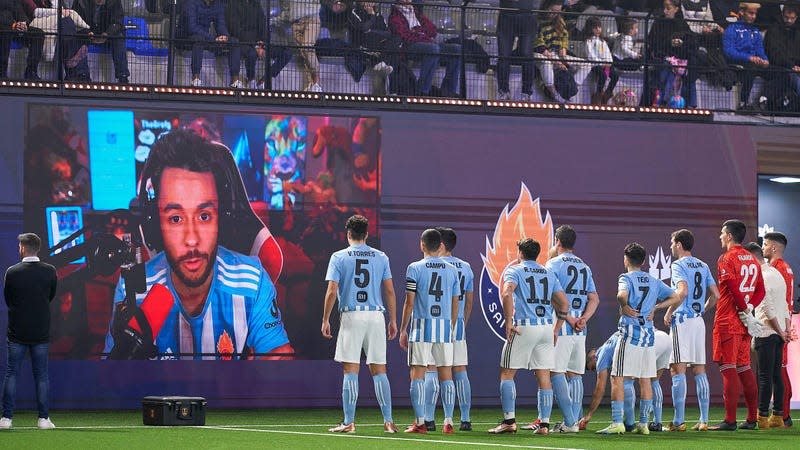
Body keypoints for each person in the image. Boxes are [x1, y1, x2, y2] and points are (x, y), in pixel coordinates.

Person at [103, 129, 293, 360]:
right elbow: (112, 379)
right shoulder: (133, 289)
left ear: (221, 218)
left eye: (204, 216)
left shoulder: (253, 281)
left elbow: (280, 364)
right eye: (175, 218)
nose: (192, 239)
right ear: (155, 224)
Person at [322, 214, 398, 434]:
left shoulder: (338, 257)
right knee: (379, 370)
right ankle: (389, 422)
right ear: (367, 234)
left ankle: (349, 422)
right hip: (375, 316)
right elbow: (390, 290)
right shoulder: (381, 256)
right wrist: (392, 320)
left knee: (350, 370)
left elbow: (332, 291)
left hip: (352, 316)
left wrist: (326, 318)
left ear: (348, 234)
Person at [488, 238, 569, 435]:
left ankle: (509, 421)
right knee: (543, 375)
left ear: (520, 253)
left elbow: (507, 294)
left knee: (507, 373)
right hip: (546, 328)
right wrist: (557, 328)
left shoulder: (515, 270)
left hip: (525, 326)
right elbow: (564, 304)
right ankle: (544, 425)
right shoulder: (548, 272)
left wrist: (508, 321)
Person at [597, 242, 680, 435]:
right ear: (643, 261)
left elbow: (621, 295)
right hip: (648, 336)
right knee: (645, 379)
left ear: (626, 259)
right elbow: (676, 297)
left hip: (630, 335)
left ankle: (617, 422)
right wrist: (657, 308)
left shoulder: (626, 277)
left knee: (617, 377)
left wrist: (623, 305)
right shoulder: (653, 280)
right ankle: (643, 424)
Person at [527, 225, 598, 432]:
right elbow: (594, 298)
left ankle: (569, 422)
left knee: (555, 372)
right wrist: (583, 318)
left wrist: (569, 319)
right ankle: (573, 421)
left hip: (561, 326)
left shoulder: (553, 264)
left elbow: (556, 298)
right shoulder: (584, 266)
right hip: (580, 330)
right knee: (575, 374)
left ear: (557, 240)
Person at [399, 228, 460, 434]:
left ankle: (420, 422)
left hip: (421, 326)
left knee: (417, 374)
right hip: (444, 326)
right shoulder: (452, 269)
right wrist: (451, 326)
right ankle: (449, 421)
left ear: (422, 245)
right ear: (440, 245)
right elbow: (455, 302)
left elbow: (409, 302)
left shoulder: (414, 268)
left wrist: (403, 328)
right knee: (446, 375)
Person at [709, 219, 765, 430]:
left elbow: (732, 287)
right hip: (744, 325)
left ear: (730, 236)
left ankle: (730, 420)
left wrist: (744, 310)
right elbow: (761, 291)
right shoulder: (752, 259)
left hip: (728, 320)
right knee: (744, 368)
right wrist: (749, 310)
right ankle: (752, 419)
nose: (720, 236)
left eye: (722, 233)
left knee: (728, 369)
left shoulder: (726, 258)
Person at [663, 229, 719, 431]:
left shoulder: (678, 265)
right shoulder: (703, 265)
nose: (670, 246)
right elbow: (715, 294)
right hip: (697, 321)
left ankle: (678, 421)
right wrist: (702, 310)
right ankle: (704, 420)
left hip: (683, 321)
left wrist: (669, 311)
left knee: (677, 369)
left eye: (672, 242)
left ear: (679, 244)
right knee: (699, 370)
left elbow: (682, 291)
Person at [1, 233, 57, 430]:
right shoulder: (50, 271)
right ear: (37, 248)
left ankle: (6, 419)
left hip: (17, 331)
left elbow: (8, 298)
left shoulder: (12, 272)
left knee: (11, 373)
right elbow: (50, 295)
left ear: (23, 248)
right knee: (41, 375)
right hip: (40, 331)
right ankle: (43, 419)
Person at [580, 328, 672, 431]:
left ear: (593, 356)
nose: (595, 370)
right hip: (664, 338)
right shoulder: (611, 342)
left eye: (592, 367)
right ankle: (657, 423)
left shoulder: (600, 355)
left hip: (647, 343)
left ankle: (630, 422)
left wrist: (589, 414)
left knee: (626, 380)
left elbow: (599, 389)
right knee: (654, 381)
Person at [744, 242, 790, 429]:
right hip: (779, 333)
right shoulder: (777, 274)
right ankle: (777, 416)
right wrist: (785, 331)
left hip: (766, 331)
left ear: (751, 258)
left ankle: (761, 416)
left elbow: (766, 308)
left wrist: (780, 330)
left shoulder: (761, 276)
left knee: (764, 376)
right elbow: (785, 305)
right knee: (776, 375)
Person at [436, 227, 474, 431]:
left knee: (433, 370)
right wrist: (462, 323)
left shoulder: (433, 265)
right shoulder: (466, 267)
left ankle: (430, 419)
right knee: (460, 370)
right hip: (457, 324)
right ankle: (466, 419)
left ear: (440, 244)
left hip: (436, 323)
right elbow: (469, 301)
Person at [388, 0, 462, 97]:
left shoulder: (416, 13)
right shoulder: (395, 16)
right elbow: (405, 36)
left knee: (456, 49)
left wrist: (419, 31)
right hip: (409, 46)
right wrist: (422, 35)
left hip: (426, 43)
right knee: (433, 49)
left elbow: (432, 30)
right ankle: (422, 90)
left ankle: (449, 90)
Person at [762, 231, 795, 427]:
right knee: (778, 370)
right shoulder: (786, 267)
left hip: (778, 325)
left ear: (774, 247)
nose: (763, 247)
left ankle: (783, 414)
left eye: (765, 244)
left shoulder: (776, 269)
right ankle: (783, 414)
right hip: (783, 323)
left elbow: (777, 301)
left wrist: (784, 326)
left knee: (778, 370)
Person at [533, 0, 589, 103]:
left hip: (557, 53)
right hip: (541, 53)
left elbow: (564, 37)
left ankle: (570, 87)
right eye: (553, 11)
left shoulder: (560, 20)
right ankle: (554, 93)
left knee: (586, 65)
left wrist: (563, 50)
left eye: (558, 12)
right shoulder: (537, 21)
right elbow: (539, 45)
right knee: (546, 63)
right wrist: (558, 62)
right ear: (546, 7)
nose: (555, 14)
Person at [176, 0, 241, 88]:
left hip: (205, 38)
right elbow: (191, 27)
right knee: (198, 39)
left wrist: (224, 36)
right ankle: (195, 78)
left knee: (234, 42)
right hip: (186, 38)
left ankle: (235, 81)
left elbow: (220, 24)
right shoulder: (191, 3)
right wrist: (213, 38)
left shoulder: (217, 4)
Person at [723, 2, 770, 110]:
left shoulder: (756, 31)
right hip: (738, 63)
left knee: (781, 73)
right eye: (750, 13)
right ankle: (743, 103)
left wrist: (765, 60)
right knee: (751, 68)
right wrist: (748, 58)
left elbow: (760, 50)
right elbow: (729, 52)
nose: (753, 16)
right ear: (742, 12)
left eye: (755, 14)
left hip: (755, 63)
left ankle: (765, 99)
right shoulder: (731, 29)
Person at [72, 0, 130, 84]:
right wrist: (87, 32)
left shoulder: (115, 2)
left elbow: (117, 23)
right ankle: (83, 75)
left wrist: (107, 34)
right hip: (87, 31)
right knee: (77, 38)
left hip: (108, 32)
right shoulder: (80, 2)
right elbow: (75, 20)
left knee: (119, 38)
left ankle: (123, 76)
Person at [495, 0, 537, 101]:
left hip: (527, 15)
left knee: (527, 55)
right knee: (504, 55)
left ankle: (526, 92)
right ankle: (503, 91)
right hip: (506, 14)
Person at [280, 0, 322, 92]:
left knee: (307, 47)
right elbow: (285, 7)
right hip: (295, 23)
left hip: (311, 18)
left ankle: (317, 82)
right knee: (304, 53)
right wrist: (285, 17)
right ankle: (311, 84)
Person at [763, 6, 800, 106]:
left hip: (795, 66)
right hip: (779, 66)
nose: (789, 20)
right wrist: (792, 65)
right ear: (782, 15)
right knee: (794, 77)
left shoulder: (797, 32)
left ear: (796, 18)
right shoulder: (773, 30)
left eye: (792, 18)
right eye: (786, 17)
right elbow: (774, 53)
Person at [0, 0, 43, 80]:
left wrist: (24, 23)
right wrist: (12, 25)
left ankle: (31, 71)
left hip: (14, 26)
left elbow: (18, 10)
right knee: (5, 32)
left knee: (38, 33)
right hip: (4, 27)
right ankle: (2, 72)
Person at [583, 17, 618, 104]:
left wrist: (609, 62)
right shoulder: (588, 41)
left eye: (599, 27)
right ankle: (598, 94)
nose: (598, 29)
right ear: (590, 29)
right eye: (595, 28)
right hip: (594, 65)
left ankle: (607, 93)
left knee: (615, 75)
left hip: (605, 65)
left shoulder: (603, 41)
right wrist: (602, 63)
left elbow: (607, 54)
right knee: (602, 75)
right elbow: (591, 56)